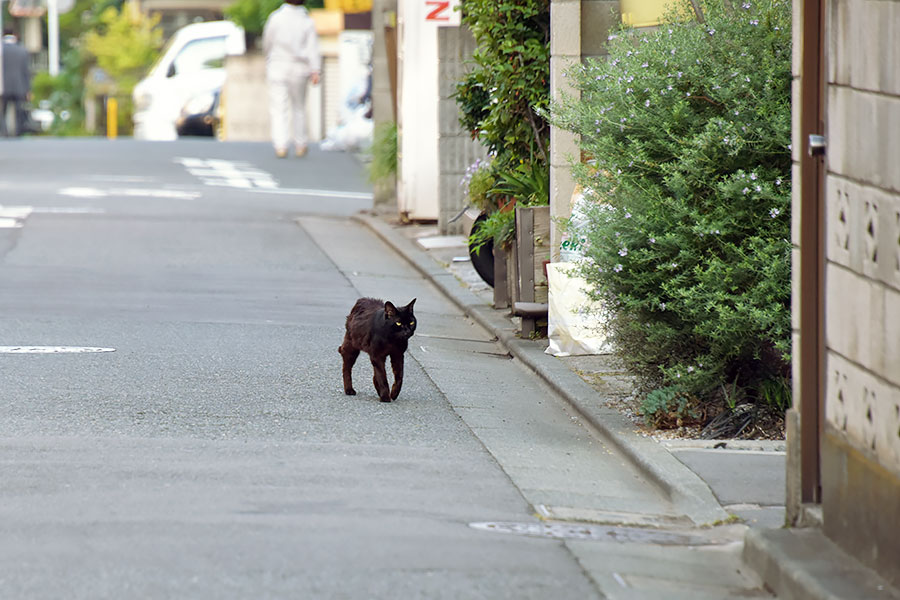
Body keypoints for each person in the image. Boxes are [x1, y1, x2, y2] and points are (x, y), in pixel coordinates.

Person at [262, 0, 321, 158]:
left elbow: (267, 41)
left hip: (277, 65)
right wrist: (315, 69)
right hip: (299, 67)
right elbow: (312, 47)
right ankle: (300, 144)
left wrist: (268, 57)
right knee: (299, 107)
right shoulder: (306, 20)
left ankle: (280, 145)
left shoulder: (275, 18)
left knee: (278, 107)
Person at [1, 28, 32, 138]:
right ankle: (18, 133)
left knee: (2, 111)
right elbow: (26, 71)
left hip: (3, 86)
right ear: (15, 35)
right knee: (19, 111)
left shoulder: (1, 50)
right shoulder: (22, 50)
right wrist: (28, 89)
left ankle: (4, 133)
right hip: (19, 85)